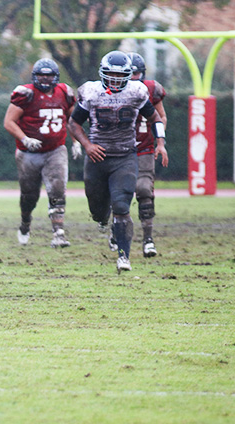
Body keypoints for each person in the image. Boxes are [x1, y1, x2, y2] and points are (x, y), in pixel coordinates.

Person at [68, 51, 168, 273]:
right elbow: (74, 123)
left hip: (124, 156)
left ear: (129, 75)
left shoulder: (136, 92)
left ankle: (124, 256)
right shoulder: (92, 92)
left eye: (119, 75)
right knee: (97, 209)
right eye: (110, 74)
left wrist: (160, 142)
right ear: (102, 74)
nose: (114, 79)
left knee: (122, 205)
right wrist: (87, 145)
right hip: (97, 158)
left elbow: (155, 118)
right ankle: (104, 221)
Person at [4, 58, 78, 248]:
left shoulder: (64, 93)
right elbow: (9, 122)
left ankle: (58, 234)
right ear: (34, 77)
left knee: (58, 190)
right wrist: (25, 138)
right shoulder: (26, 94)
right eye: (41, 76)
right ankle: (25, 222)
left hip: (55, 150)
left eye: (49, 76)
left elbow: (72, 120)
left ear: (56, 77)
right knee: (30, 196)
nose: (45, 80)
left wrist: (76, 142)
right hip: (28, 153)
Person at [128, 52, 168, 258]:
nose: (133, 78)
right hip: (119, 150)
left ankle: (148, 239)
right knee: (119, 194)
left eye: (136, 73)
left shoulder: (151, 89)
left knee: (144, 189)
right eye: (129, 73)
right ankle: (117, 232)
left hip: (143, 148)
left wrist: (160, 142)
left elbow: (160, 117)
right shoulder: (109, 90)